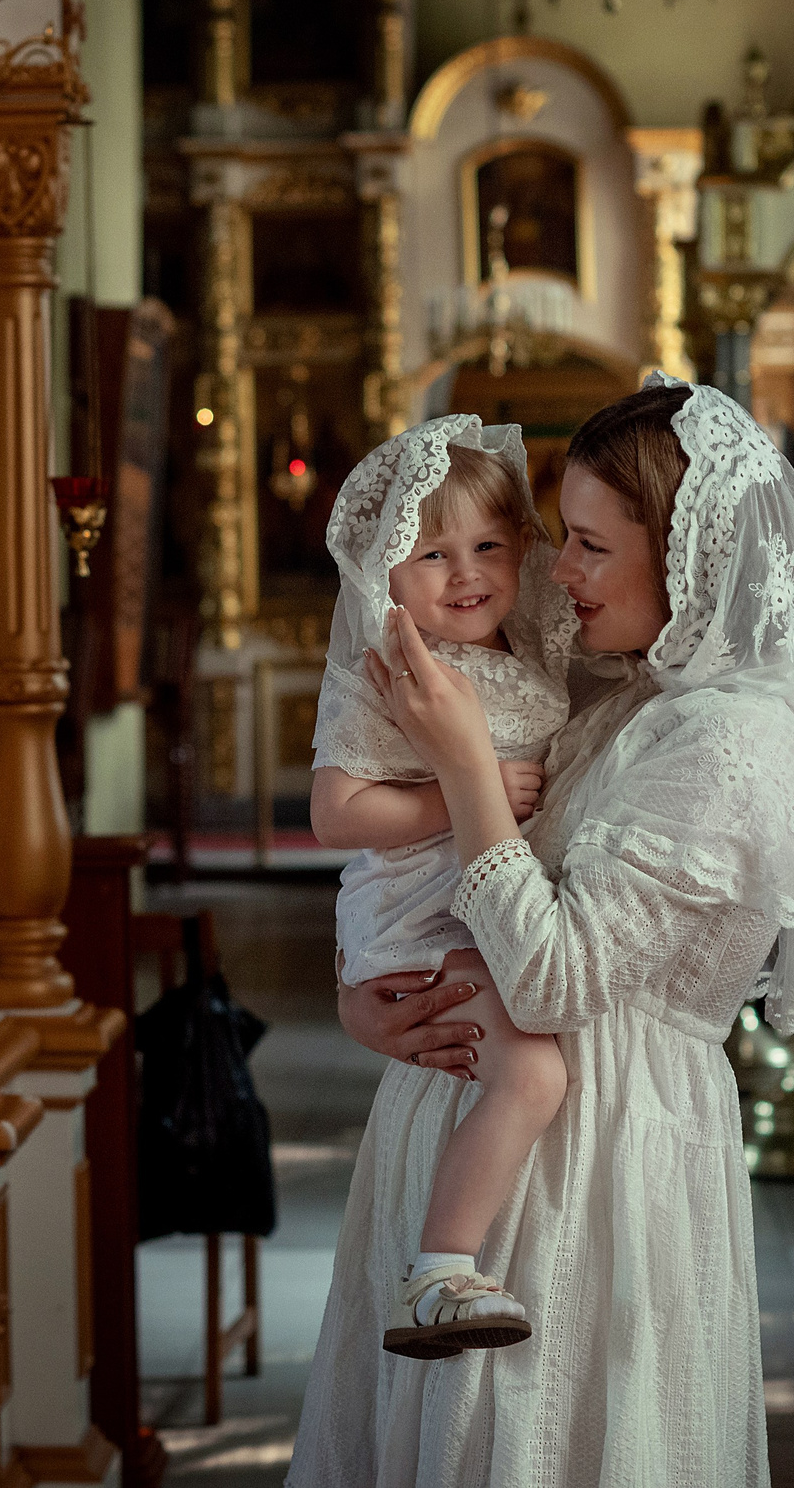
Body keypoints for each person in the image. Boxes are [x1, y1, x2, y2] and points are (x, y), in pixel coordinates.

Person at [289, 375, 794, 1488]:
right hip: (472, 1117)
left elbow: (556, 977)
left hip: (593, 1176)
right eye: (559, 537)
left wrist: (464, 765)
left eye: (592, 545)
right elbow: (435, 872)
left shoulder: (740, 745)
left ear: (686, 550)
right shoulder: (629, 695)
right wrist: (365, 987)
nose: (556, 571)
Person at [308, 417, 580, 1360]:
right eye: (432, 553)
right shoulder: (388, 667)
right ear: (384, 568)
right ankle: (439, 1270)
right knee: (534, 1068)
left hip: (481, 898)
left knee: (531, 1066)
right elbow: (336, 814)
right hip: (420, 912)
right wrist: (460, 793)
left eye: (489, 547)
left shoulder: (522, 651)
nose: (467, 573)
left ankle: (444, 1261)